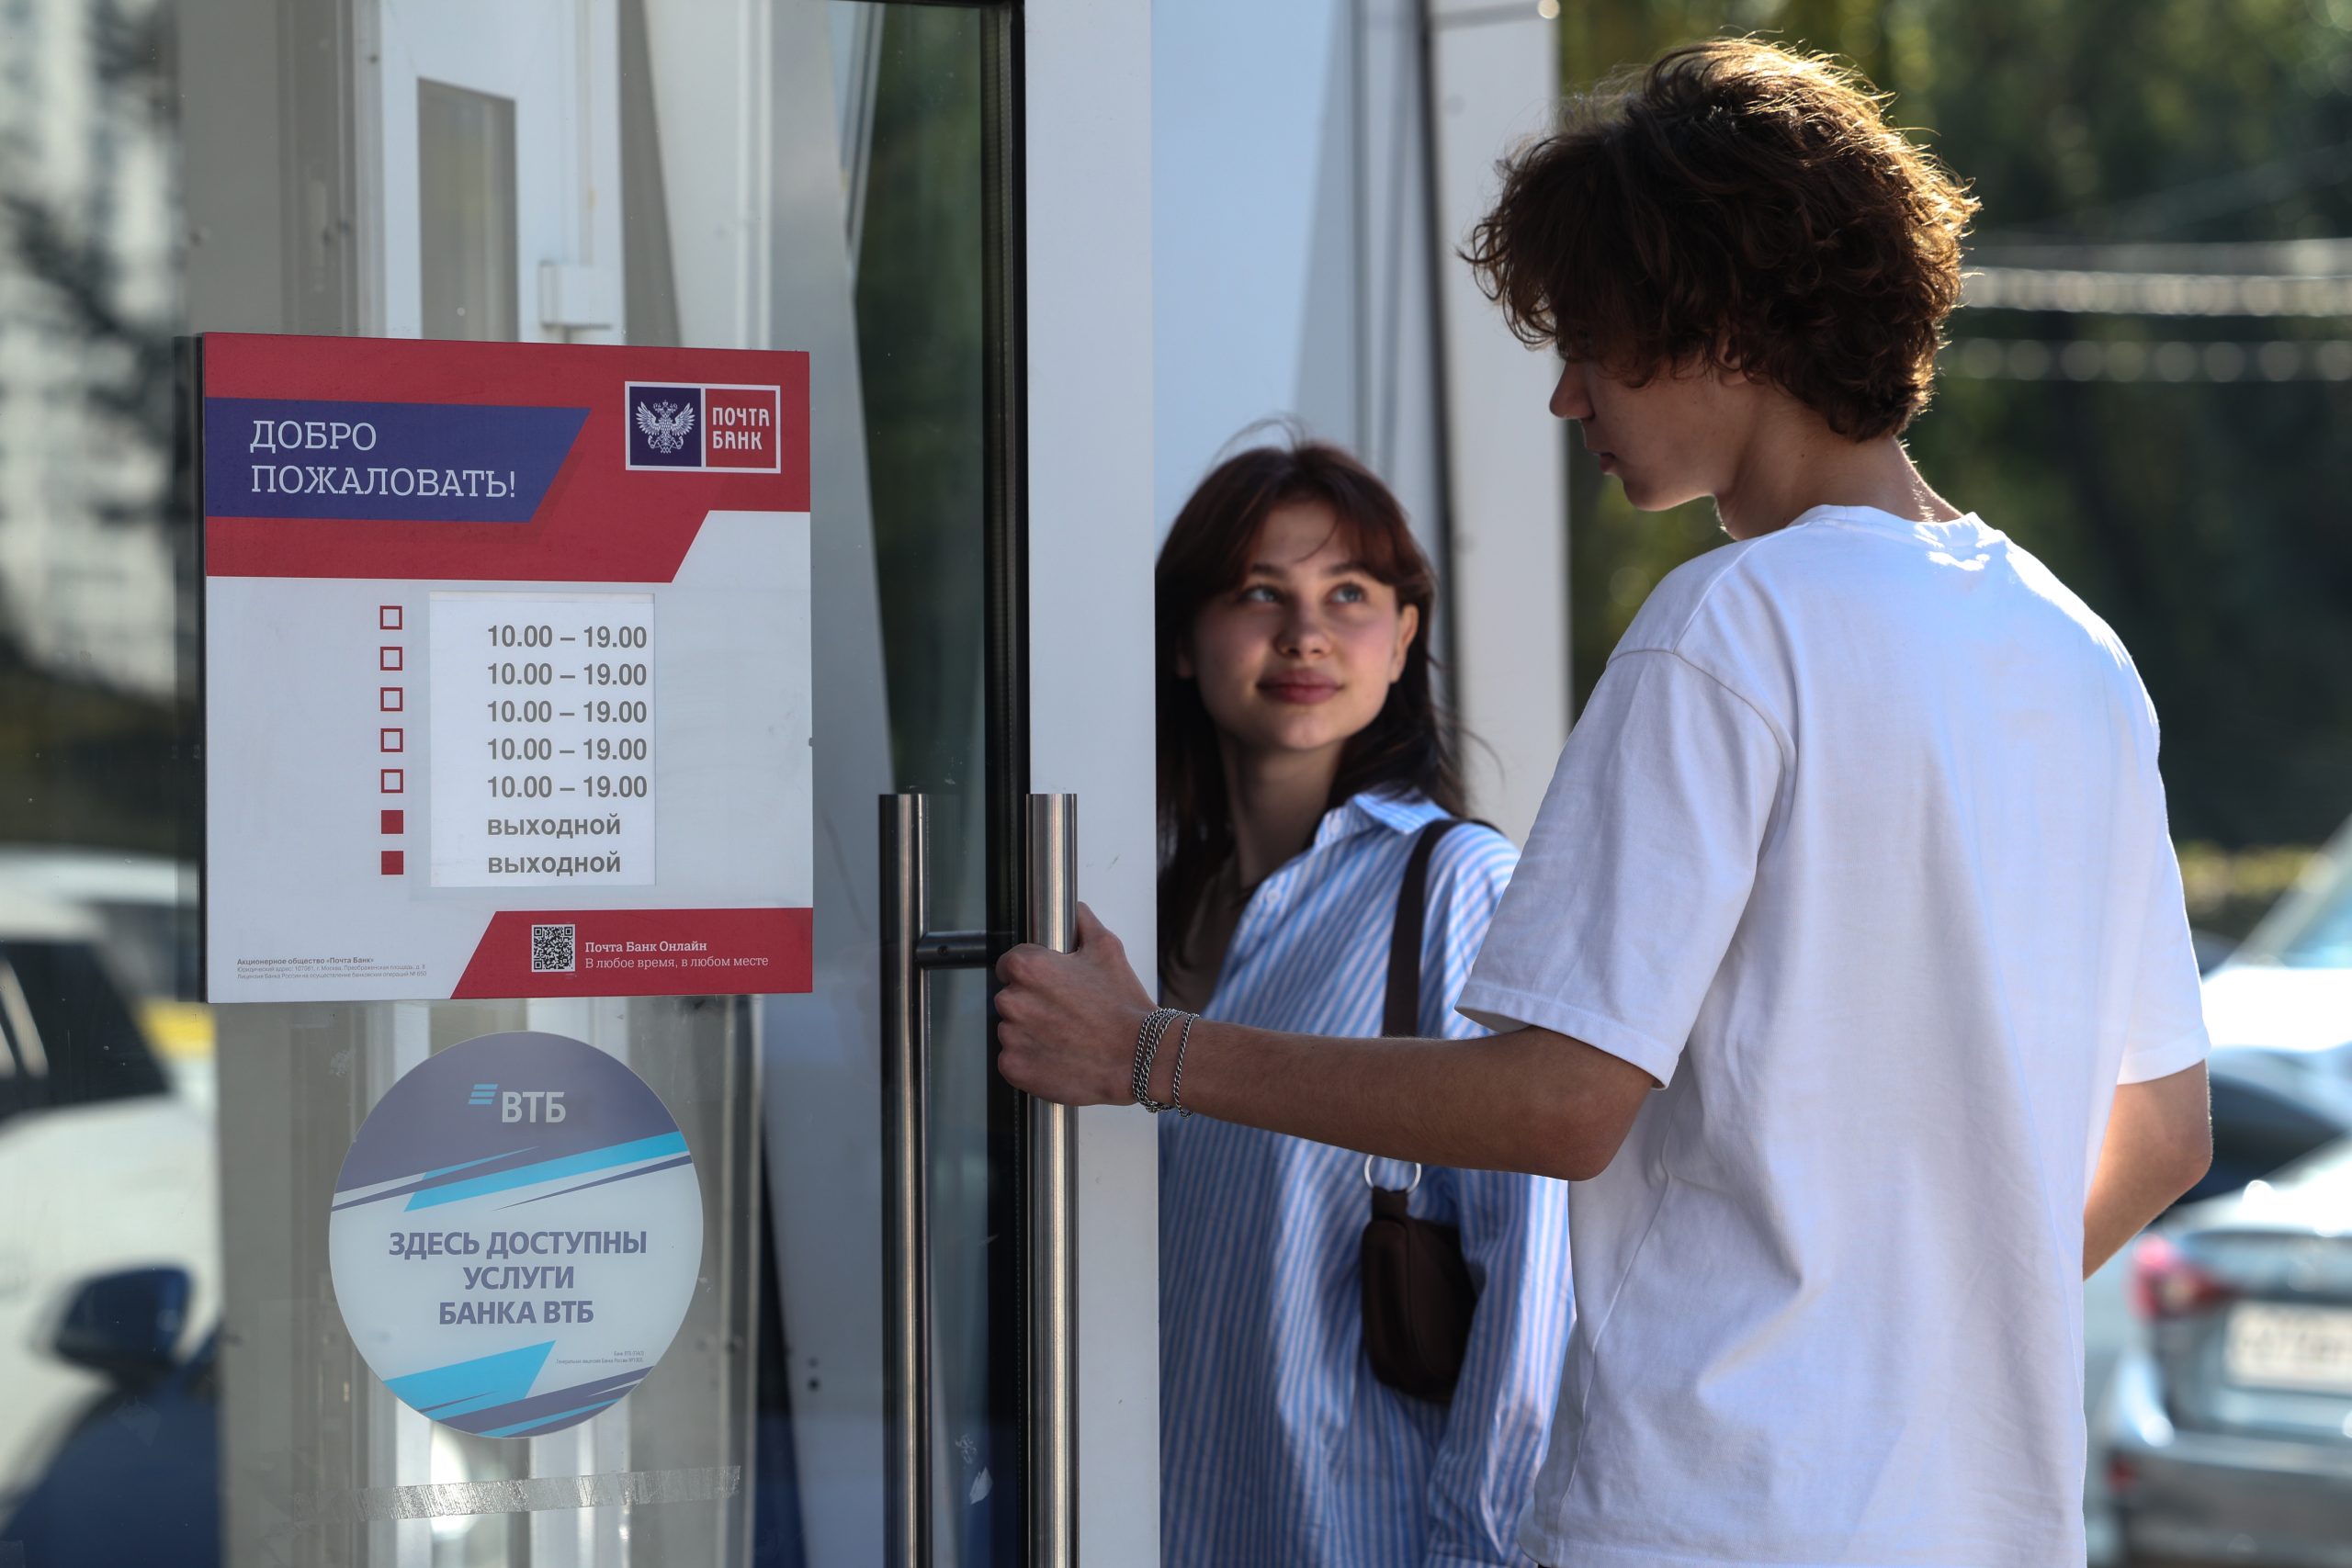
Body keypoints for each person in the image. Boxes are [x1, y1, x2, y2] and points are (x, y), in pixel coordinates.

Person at [995, 38, 2214, 1568]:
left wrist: (1149, 1052)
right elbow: (2164, 1132)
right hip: (1983, 1522)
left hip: (1710, 1520)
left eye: (1594, 339)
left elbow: (1562, 1101)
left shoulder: (1731, 626)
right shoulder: (2077, 652)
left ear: (1722, 319)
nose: (1567, 392)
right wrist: (1924, 1358)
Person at [1150, 439, 1569, 1566]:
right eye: (1258, 593)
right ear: (1185, 641)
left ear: (1404, 636)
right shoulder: (1145, 916)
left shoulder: (1456, 887)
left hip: (1358, 1537)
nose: (1305, 634)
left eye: (1348, 594)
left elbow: (1532, 1285)